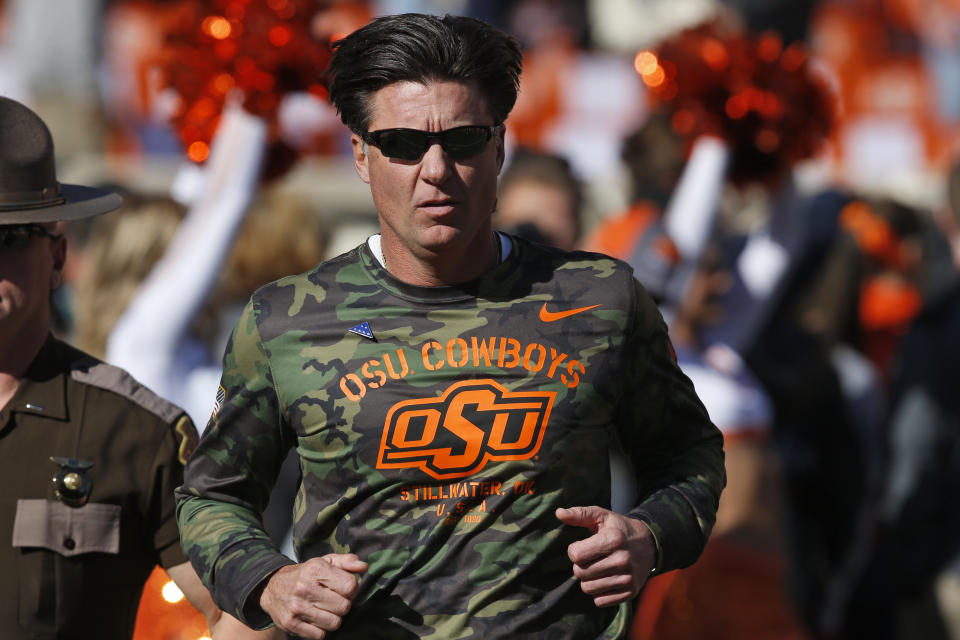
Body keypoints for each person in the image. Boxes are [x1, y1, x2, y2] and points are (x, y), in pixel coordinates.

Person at [176, 13, 725, 640]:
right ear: (360, 154)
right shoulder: (283, 320)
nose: (435, 170)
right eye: (404, 145)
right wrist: (269, 581)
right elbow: (210, 496)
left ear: (499, 146)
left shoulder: (601, 298)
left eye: (462, 141)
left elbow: (690, 454)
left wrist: (651, 535)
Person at [0, 96, 277, 640]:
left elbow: (248, 612)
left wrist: (251, 98)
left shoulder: (132, 429)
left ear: (56, 259)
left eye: (5, 237)